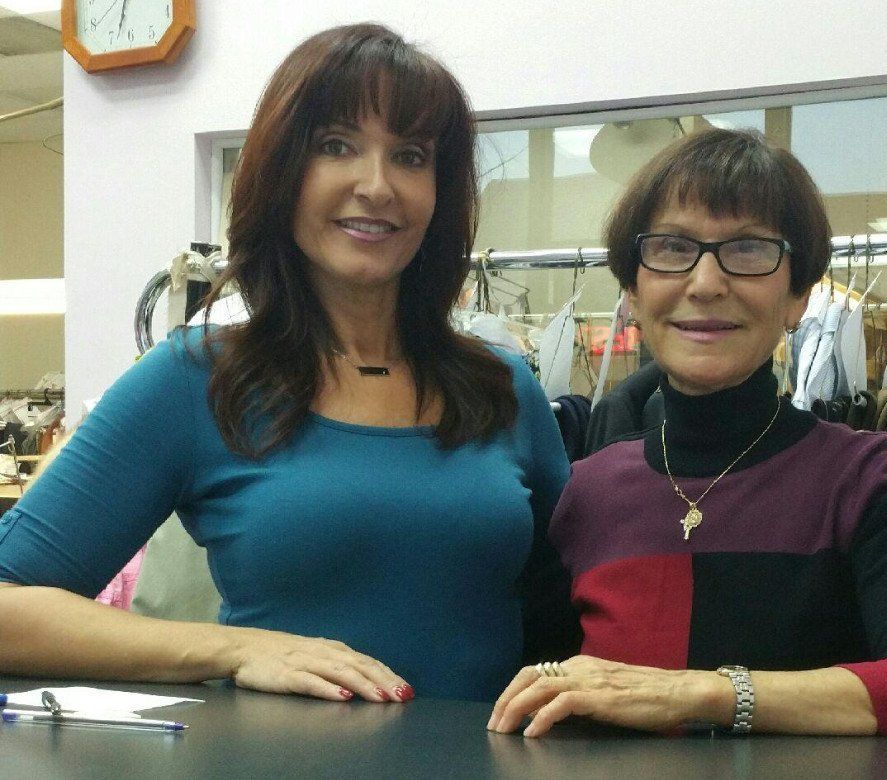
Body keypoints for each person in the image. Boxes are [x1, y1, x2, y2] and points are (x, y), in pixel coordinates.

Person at [0, 23, 577, 704]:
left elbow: (574, 615)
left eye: (411, 156)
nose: (377, 185)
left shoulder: (503, 389)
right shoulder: (197, 379)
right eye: (337, 146)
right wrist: (235, 649)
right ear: (282, 174)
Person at [489, 129, 887, 740]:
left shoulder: (872, 476)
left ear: (799, 295)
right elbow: (537, 690)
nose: (705, 283)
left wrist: (702, 692)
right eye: (672, 248)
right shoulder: (587, 491)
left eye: (748, 250)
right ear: (632, 293)